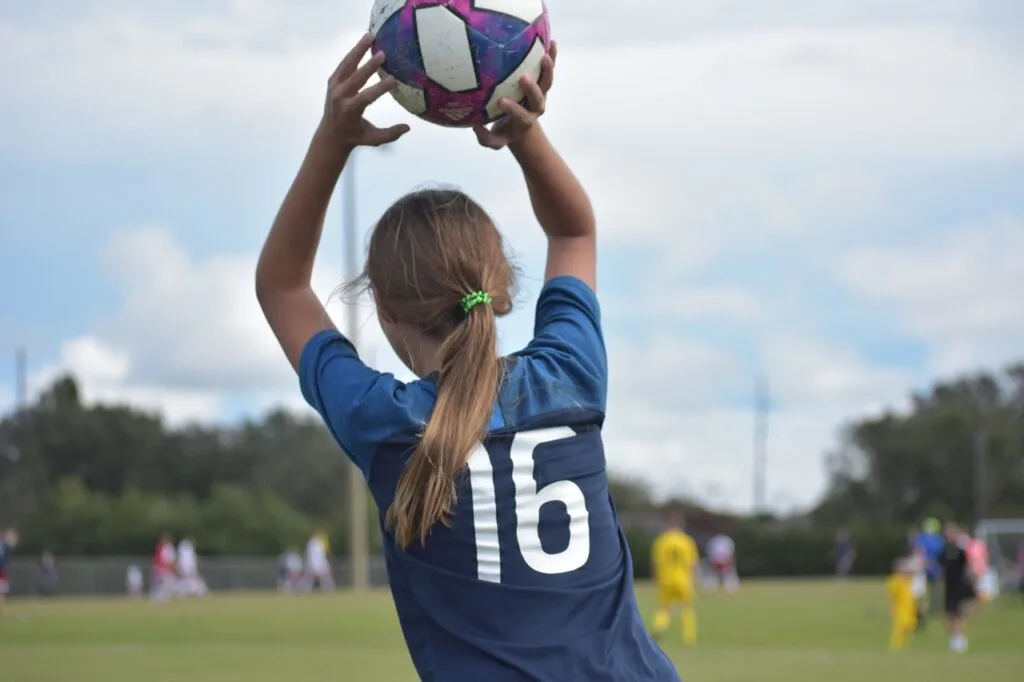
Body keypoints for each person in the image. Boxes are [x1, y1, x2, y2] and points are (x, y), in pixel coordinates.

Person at [255, 34, 680, 681]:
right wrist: (524, 130)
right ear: (501, 289)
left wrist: (332, 138)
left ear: (386, 311)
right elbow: (575, 229)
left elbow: (282, 287)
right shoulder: (567, 375)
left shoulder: (385, 424)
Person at [650, 511, 699, 645]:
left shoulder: (661, 541)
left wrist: (655, 579)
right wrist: (694, 579)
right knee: (687, 609)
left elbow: (656, 562)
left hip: (665, 579)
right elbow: (692, 563)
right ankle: (689, 638)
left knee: (663, 608)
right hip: (683, 579)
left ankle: (658, 627)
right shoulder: (687, 541)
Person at [939, 521, 976, 653]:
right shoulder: (944, 551)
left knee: (958, 614)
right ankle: (953, 638)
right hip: (949, 586)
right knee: (948, 614)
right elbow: (941, 568)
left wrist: (971, 584)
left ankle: (960, 639)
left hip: (959, 586)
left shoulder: (960, 552)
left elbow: (968, 568)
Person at [885, 558, 918, 651]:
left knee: (909, 627)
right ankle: (895, 644)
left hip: (909, 608)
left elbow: (912, 595)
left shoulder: (909, 581)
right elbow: (891, 595)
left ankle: (904, 643)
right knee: (899, 626)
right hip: (899, 608)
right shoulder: (894, 581)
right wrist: (891, 607)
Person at [915, 518, 945, 614]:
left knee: (922, 590)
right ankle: (931, 608)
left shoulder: (922, 538)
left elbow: (918, 551)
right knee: (932, 589)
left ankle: (923, 608)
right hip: (931, 567)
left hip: (927, 566)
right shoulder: (938, 539)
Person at [150, 532, 177, 602]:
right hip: (162, 569)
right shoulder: (163, 548)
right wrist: (171, 566)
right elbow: (165, 560)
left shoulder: (161, 548)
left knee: (161, 585)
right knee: (162, 585)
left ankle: (158, 599)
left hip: (161, 569)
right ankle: (159, 599)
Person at [0, 528, 17, 612]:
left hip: (2, 568)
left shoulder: (5, 545)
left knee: (3, 585)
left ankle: (2, 600)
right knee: (2, 585)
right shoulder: (4, 545)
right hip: (2, 568)